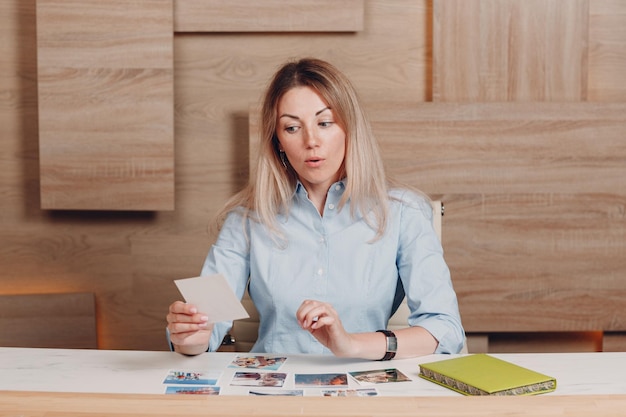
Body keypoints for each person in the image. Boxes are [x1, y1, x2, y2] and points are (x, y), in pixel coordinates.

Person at [166, 57, 465, 359]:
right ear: (278, 141)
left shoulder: (404, 212)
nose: (311, 141)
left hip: (362, 390)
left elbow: (445, 330)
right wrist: (190, 336)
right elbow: (204, 328)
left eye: (324, 123)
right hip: (270, 391)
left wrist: (351, 344)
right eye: (293, 128)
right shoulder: (247, 219)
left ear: (349, 127)